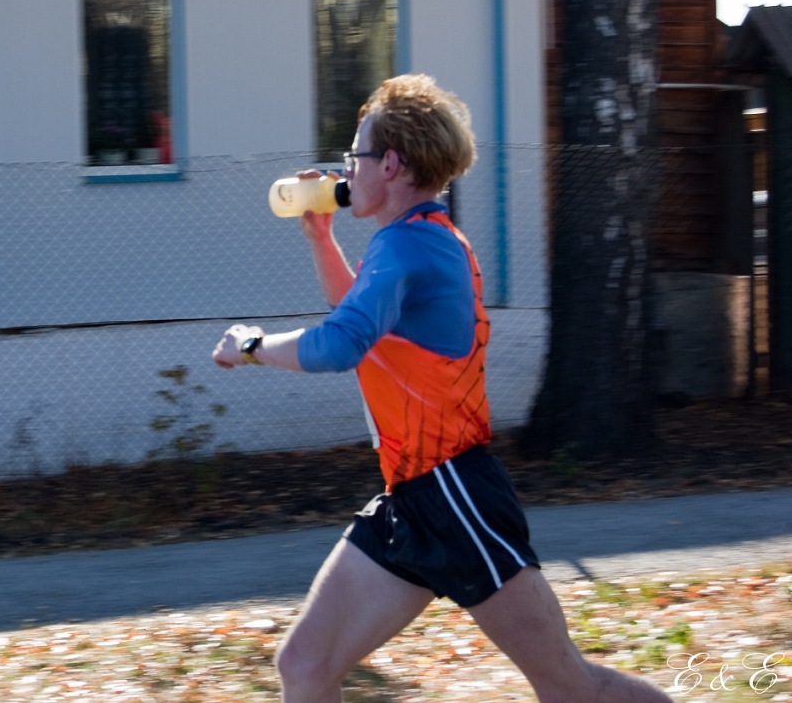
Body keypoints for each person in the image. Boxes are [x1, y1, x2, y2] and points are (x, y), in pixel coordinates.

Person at [212, 74, 672, 703]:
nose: (347, 169)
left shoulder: (408, 248)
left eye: (355, 155)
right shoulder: (416, 240)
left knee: (570, 687)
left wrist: (252, 346)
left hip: (455, 493)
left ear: (390, 164)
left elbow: (340, 344)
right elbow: (362, 319)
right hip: (412, 498)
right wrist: (321, 238)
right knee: (305, 664)